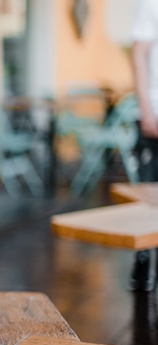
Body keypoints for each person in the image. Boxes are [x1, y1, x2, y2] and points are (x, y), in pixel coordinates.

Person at [129, 0, 158, 291]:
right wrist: (146, 110)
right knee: (149, 200)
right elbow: (138, 55)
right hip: (154, 117)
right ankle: (143, 268)